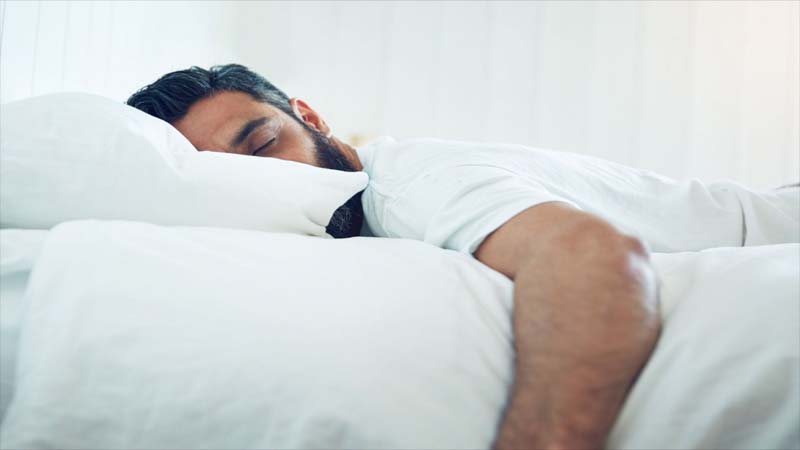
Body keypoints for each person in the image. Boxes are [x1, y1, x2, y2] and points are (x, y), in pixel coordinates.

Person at [128, 64, 798, 449]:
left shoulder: (406, 185)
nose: (268, 179)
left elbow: (593, 259)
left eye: (264, 143)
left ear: (311, 117)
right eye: (233, 175)